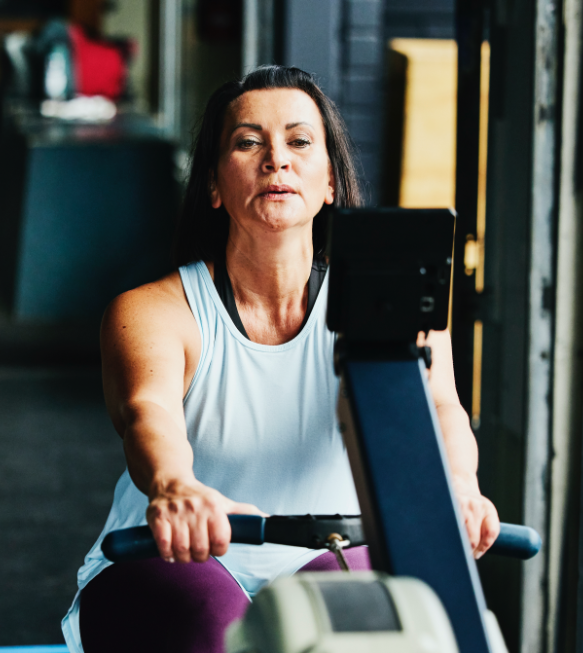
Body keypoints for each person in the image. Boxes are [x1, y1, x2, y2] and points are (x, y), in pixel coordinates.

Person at [61, 65, 500, 653]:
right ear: (214, 185)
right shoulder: (155, 311)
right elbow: (147, 412)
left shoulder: (395, 309)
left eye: (299, 141)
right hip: (177, 557)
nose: (276, 160)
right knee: (212, 621)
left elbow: (440, 408)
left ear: (330, 183)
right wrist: (175, 486)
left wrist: (459, 488)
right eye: (248, 142)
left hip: (325, 552)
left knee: (392, 612)